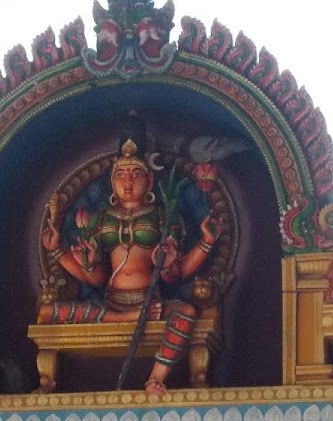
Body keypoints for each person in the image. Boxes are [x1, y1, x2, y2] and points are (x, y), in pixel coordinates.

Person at [37, 129, 222, 396]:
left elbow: (176, 274)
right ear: (112, 182)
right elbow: (97, 279)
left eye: (136, 175)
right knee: (46, 313)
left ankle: (155, 378)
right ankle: (122, 318)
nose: (127, 182)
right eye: (120, 175)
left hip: (150, 302)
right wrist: (59, 251)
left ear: (149, 181)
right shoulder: (100, 219)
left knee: (186, 313)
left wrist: (203, 242)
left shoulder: (163, 216)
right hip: (111, 302)